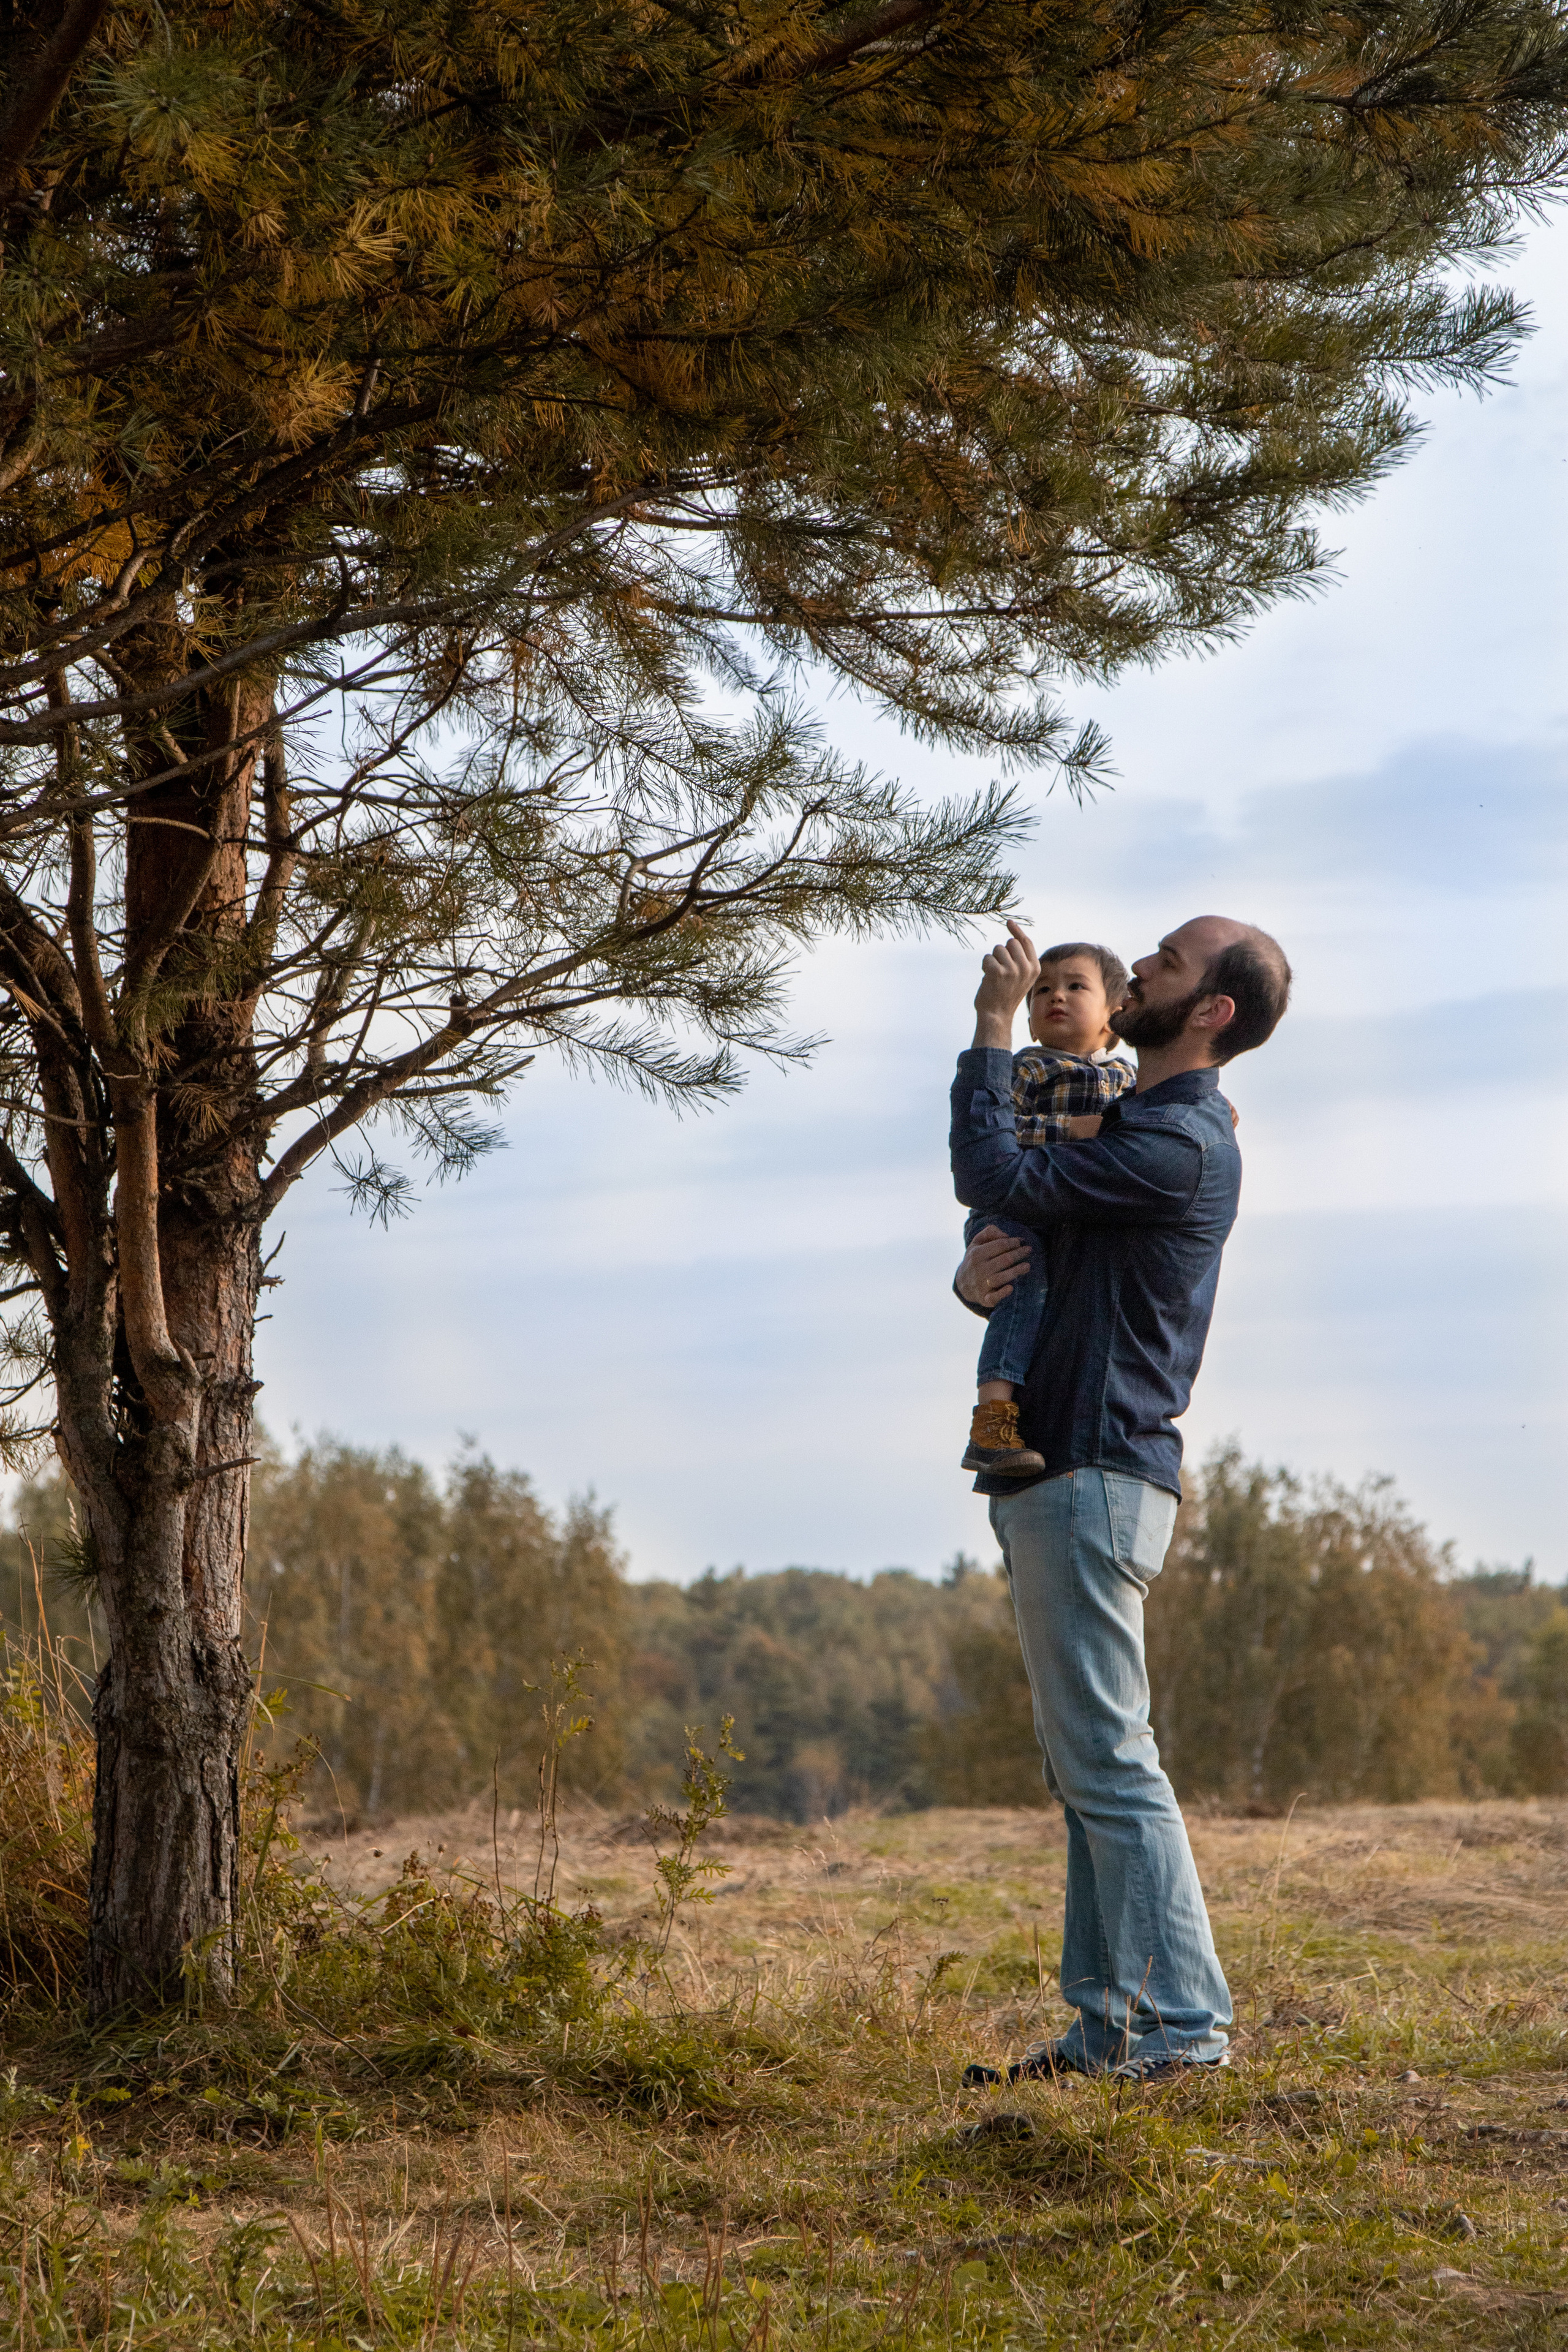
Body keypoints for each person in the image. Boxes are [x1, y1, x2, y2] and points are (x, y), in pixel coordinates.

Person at [951, 914, 1291, 2086]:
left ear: (1213, 1012)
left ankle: (1182, 2031)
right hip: (1063, 1469)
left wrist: (991, 1023)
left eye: (1169, 963)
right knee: (1085, 1769)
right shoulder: (1142, 1124)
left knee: (1110, 1762)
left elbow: (995, 1171)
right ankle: (1110, 2028)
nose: (1140, 967)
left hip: (1094, 1474)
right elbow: (1024, 1229)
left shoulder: (1179, 1144)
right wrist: (976, 1276)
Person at [961, 943, 1135, 1478]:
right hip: (1012, 1210)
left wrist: (1215, 1107)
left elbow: (1166, 1120)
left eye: (1075, 986)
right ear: (1031, 1022)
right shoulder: (1028, 1067)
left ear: (1114, 1015)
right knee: (1021, 1285)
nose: (1056, 996)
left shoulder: (1131, 1080)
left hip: (1068, 1219)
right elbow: (996, 1133)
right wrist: (1071, 1130)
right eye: (1041, 991)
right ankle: (992, 1421)